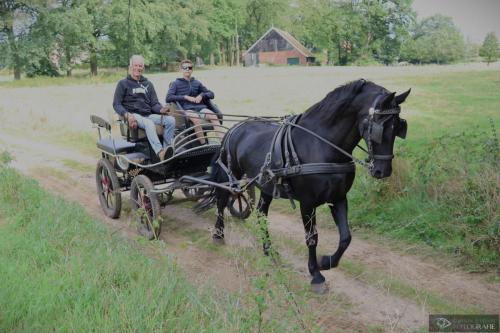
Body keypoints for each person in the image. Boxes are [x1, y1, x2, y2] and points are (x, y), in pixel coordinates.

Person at [113, 55, 176, 161]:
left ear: (143, 68)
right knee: (149, 123)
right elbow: (116, 104)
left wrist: (161, 109)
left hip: (148, 115)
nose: (138, 68)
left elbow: (154, 104)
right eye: (135, 65)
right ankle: (160, 152)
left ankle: (167, 151)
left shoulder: (148, 84)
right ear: (130, 67)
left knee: (171, 120)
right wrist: (127, 115)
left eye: (140, 66)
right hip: (134, 115)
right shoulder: (123, 84)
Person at [166, 59, 222, 144]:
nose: (187, 69)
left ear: (192, 69)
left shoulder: (197, 83)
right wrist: (185, 97)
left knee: (213, 116)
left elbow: (211, 94)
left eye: (190, 67)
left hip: (200, 108)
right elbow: (168, 98)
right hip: (186, 109)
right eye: (185, 67)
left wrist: (202, 95)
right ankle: (203, 144)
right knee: (196, 119)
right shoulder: (175, 83)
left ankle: (223, 142)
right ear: (181, 69)